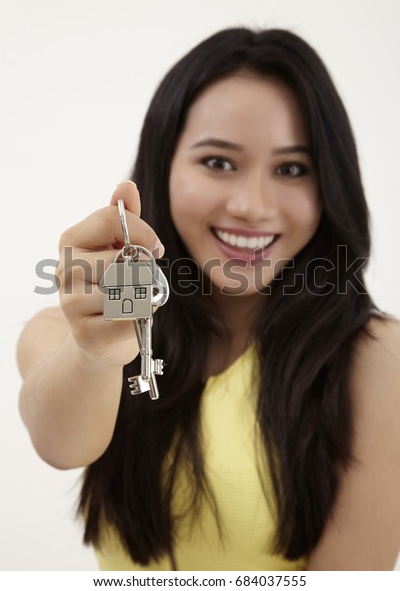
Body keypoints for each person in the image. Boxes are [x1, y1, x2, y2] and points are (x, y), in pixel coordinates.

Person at [17, 28, 400, 571]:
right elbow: (61, 445)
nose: (252, 205)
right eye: (219, 162)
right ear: (163, 164)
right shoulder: (65, 330)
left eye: (292, 169)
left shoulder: (379, 360)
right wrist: (95, 348)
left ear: (329, 186)